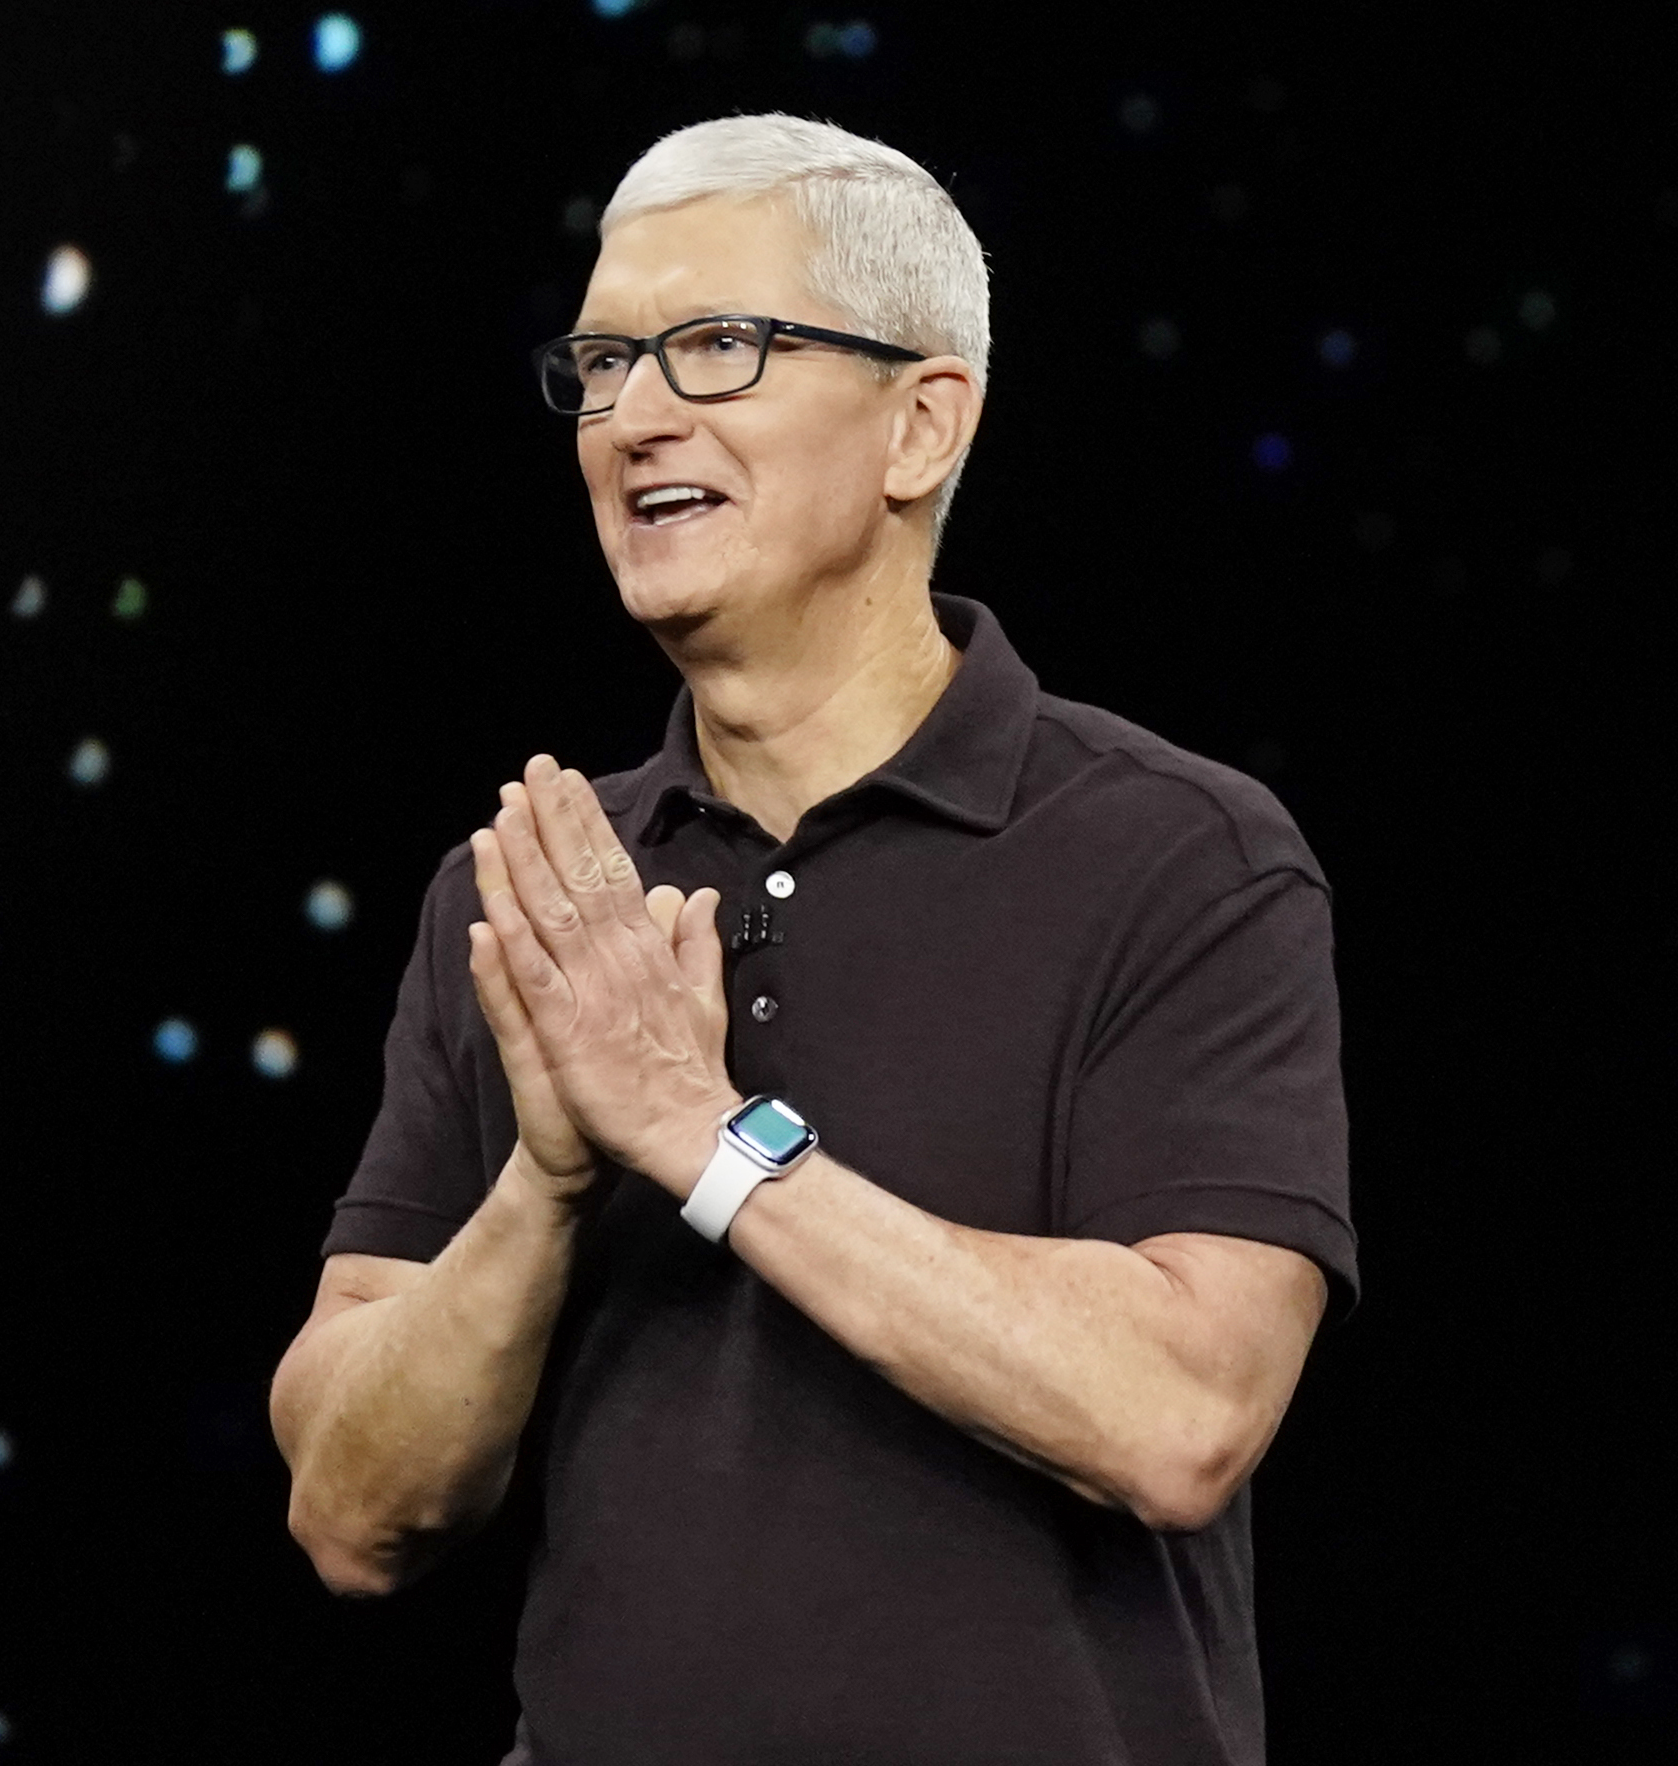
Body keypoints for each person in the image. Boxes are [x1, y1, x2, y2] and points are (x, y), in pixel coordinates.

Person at [268, 114, 1355, 1766]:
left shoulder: (1178, 856)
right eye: (605, 359)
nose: (633, 416)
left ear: (922, 422)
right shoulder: (537, 894)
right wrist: (549, 1181)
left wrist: (707, 1142)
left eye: (716, 346)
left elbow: (1181, 1411)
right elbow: (350, 1508)